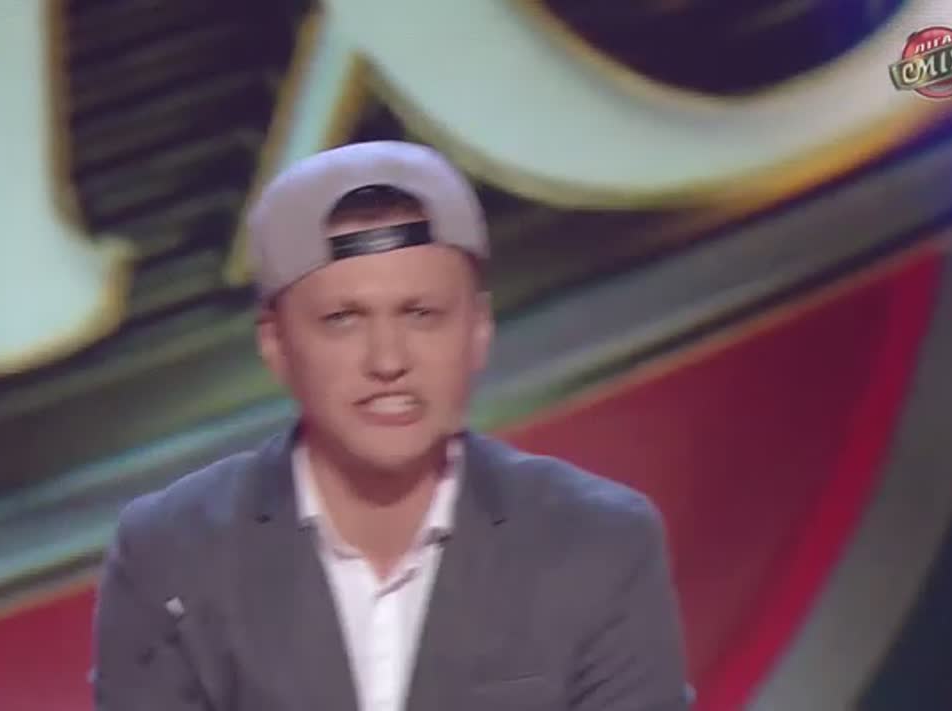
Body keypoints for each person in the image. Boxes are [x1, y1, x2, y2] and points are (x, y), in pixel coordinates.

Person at [91, 141, 691, 710]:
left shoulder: (596, 544)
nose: (387, 360)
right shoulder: (171, 556)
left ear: (478, 329)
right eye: (343, 319)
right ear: (275, 344)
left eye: (422, 314)